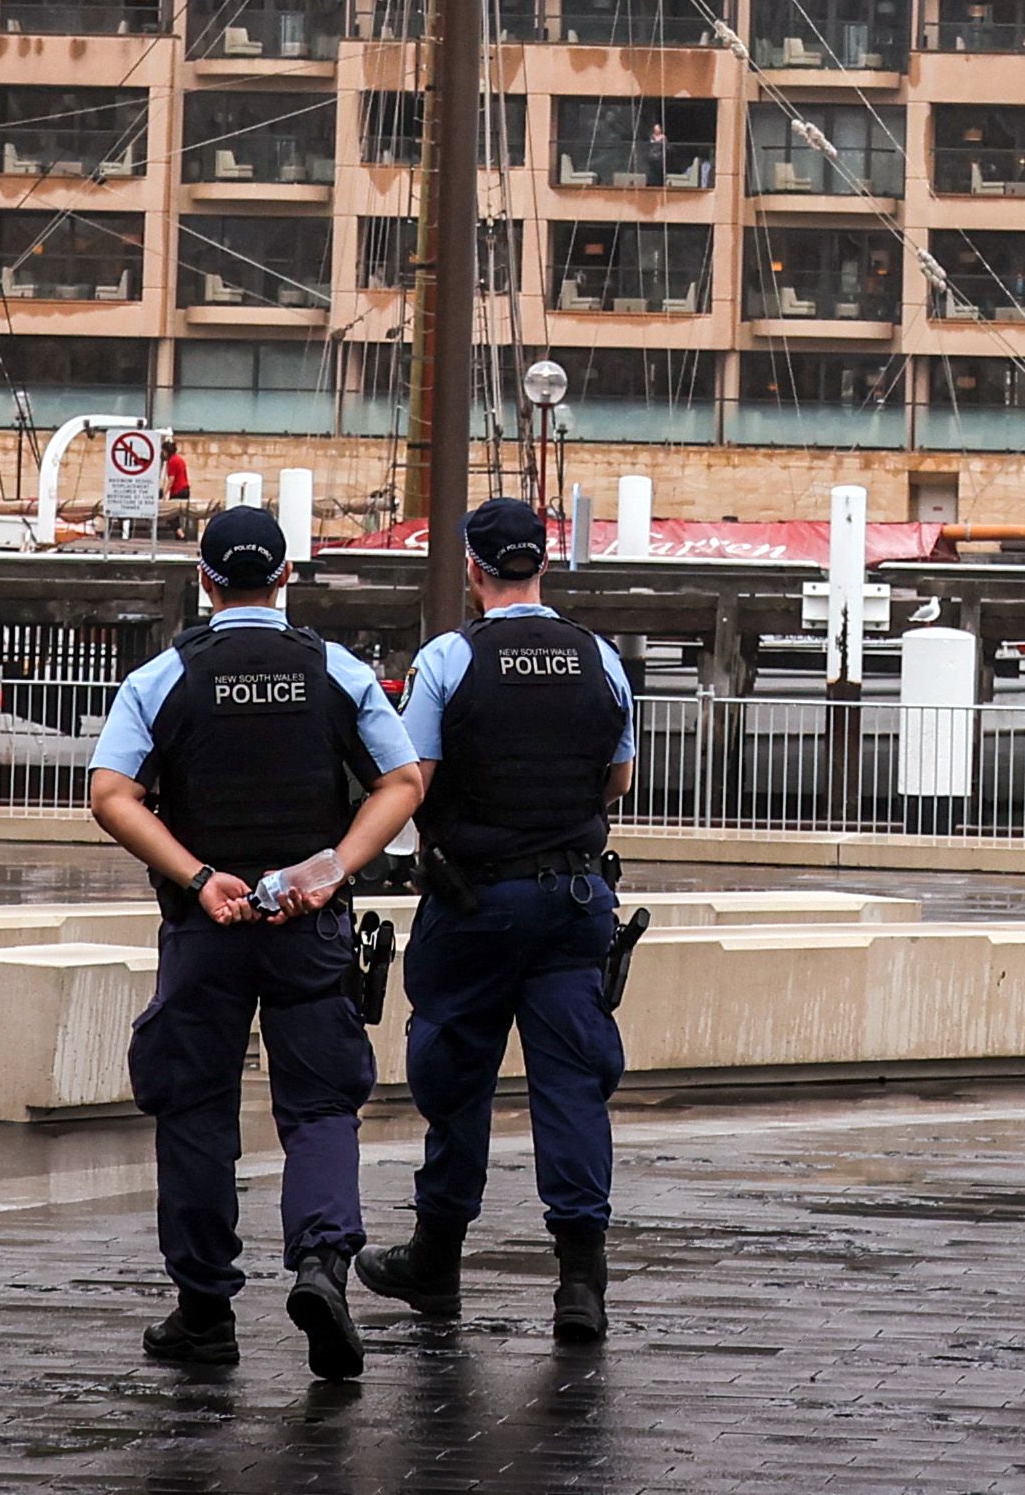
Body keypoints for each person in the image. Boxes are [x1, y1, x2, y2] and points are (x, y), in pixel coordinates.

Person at [83, 495, 426, 1380]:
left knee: (195, 1109)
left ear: (203, 581)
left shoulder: (162, 677)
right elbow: (403, 781)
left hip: (206, 926)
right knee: (317, 1106)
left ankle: (204, 1311)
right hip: (308, 925)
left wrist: (198, 876)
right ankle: (322, 1264)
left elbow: (111, 794)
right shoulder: (338, 671)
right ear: (286, 577)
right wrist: (334, 867)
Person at [359, 495, 638, 1342]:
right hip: (573, 901)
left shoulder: (450, 658)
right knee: (574, 1088)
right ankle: (580, 1285)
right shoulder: (600, 656)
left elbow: (415, 777)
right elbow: (616, 781)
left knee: (456, 1083)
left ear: (474, 567)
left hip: (474, 902)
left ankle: (437, 1262)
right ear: (541, 563)